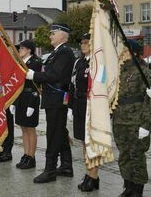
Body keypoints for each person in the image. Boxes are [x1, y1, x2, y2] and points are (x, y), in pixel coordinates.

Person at [25, 23, 75, 183]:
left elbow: (55, 75)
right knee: (60, 132)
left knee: (53, 133)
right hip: (53, 97)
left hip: (57, 97)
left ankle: (50, 169)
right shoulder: (57, 52)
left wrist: (35, 76)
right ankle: (66, 165)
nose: (50, 35)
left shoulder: (65, 52)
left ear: (62, 35)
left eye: (53, 33)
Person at [113, 39, 151, 197]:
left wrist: (146, 124)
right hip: (120, 120)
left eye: (125, 50)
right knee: (124, 155)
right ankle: (128, 186)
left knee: (136, 156)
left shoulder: (144, 71)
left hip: (136, 121)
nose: (121, 53)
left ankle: (137, 190)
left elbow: (150, 100)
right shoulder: (119, 70)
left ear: (134, 53)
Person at [68, 33, 100, 192]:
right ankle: (90, 173)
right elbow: (72, 85)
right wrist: (70, 106)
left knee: (92, 142)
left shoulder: (98, 62)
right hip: (79, 105)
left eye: (86, 42)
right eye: (81, 43)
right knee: (83, 141)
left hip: (93, 105)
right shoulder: (78, 62)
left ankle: (93, 175)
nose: (83, 45)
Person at [12, 40, 42, 169]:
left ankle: (31, 156)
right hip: (20, 97)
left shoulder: (35, 62)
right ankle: (25, 155)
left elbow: (36, 84)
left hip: (30, 97)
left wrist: (32, 103)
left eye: (22, 48)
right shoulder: (20, 62)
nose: (20, 50)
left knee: (30, 129)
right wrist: (14, 101)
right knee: (23, 128)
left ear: (29, 50)